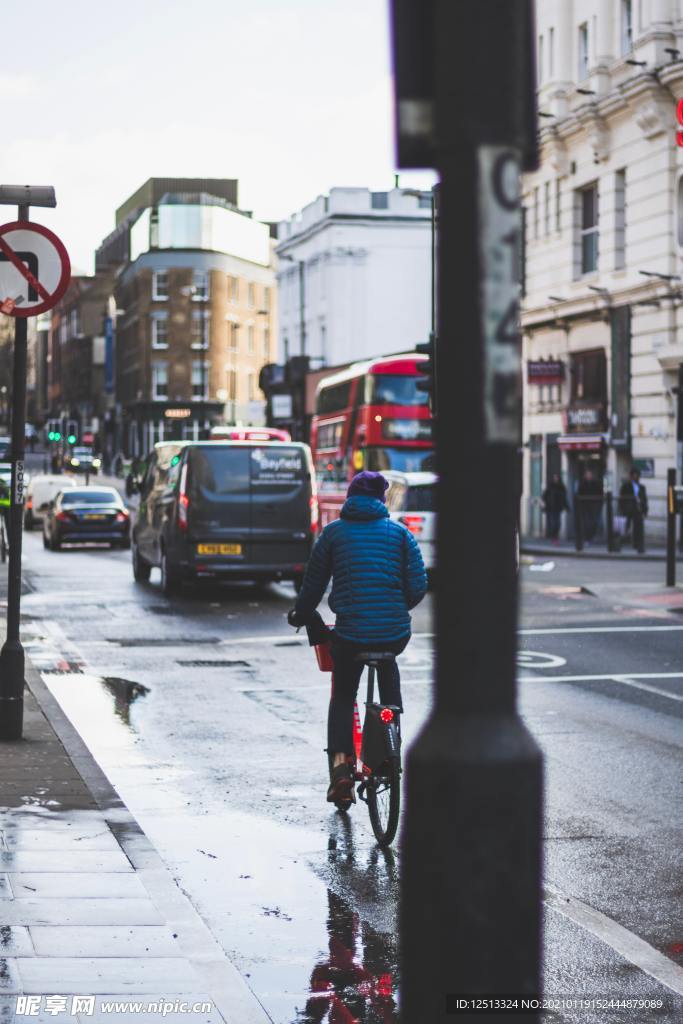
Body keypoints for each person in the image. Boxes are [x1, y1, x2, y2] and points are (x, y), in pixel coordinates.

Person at [287, 470, 427, 804]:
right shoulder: (400, 534)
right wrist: (396, 607)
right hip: (393, 634)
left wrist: (301, 613)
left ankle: (340, 771)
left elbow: (314, 584)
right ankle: (390, 731)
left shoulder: (334, 534)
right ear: (381, 499)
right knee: (387, 673)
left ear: (350, 498)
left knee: (344, 695)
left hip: (350, 636)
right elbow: (419, 585)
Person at [619, 468, 648, 553]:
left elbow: (644, 499)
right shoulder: (626, 486)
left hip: (638, 510)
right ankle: (619, 543)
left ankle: (638, 545)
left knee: (638, 528)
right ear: (631, 476)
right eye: (634, 475)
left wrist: (645, 510)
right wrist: (623, 509)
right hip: (628, 509)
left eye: (637, 475)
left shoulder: (642, 487)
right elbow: (622, 499)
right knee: (625, 527)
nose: (635, 477)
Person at [577, 468, 603, 543]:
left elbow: (600, 493)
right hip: (585, 505)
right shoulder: (582, 484)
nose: (588, 476)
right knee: (587, 522)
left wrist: (599, 502)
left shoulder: (596, 483)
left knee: (595, 522)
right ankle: (587, 537)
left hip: (595, 505)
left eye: (590, 474)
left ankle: (591, 536)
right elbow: (579, 494)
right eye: (587, 475)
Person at [542, 473, 568, 542]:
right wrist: (546, 504)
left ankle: (555, 536)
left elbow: (564, 498)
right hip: (550, 508)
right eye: (555, 477)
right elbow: (544, 496)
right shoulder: (550, 486)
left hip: (558, 508)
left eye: (557, 477)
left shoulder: (561, 487)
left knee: (558, 523)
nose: (556, 479)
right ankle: (553, 537)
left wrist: (566, 507)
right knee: (553, 523)